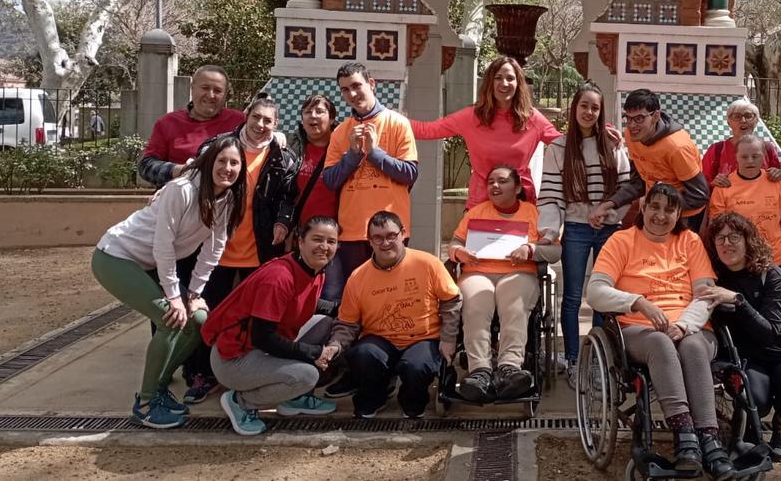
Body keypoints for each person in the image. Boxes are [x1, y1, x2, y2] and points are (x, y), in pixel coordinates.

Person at [91, 135, 244, 429]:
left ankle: (159, 387)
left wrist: (195, 294)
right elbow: (163, 245)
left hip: (147, 264)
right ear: (209, 161)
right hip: (116, 256)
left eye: (234, 163)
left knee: (200, 320)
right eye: (222, 160)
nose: (227, 168)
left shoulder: (228, 198)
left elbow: (214, 250)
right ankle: (146, 403)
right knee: (169, 318)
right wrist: (175, 297)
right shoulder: (181, 190)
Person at [587, 183, 734, 481]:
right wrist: (637, 302)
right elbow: (595, 291)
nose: (661, 215)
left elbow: (706, 293)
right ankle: (684, 434)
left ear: (679, 213)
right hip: (640, 330)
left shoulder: (690, 241)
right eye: (654, 207)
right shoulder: (621, 241)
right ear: (643, 207)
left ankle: (707, 438)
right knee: (660, 343)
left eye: (669, 209)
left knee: (691, 346)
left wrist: (683, 325)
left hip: (691, 327)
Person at [183, 93, 299, 404]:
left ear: (276, 126)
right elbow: (193, 176)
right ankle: (201, 374)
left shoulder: (282, 157)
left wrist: (283, 222)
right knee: (208, 317)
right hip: (214, 253)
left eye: (268, 121)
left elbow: (288, 196)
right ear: (246, 116)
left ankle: (246, 375)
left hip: (259, 252)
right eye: (256, 117)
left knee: (251, 321)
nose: (261, 125)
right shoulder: (220, 146)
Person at [202, 216, 341, 436]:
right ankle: (240, 401)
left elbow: (309, 302)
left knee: (325, 323)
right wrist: (313, 352)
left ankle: (290, 398)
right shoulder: (278, 278)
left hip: (260, 348)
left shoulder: (313, 268)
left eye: (331, 241)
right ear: (300, 241)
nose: (324, 247)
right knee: (307, 376)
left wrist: (350, 307)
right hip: (234, 359)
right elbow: (262, 338)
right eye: (317, 239)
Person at [322, 211, 462, 418]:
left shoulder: (428, 264)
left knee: (415, 367)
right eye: (377, 238)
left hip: (423, 339)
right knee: (363, 356)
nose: (385, 243)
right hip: (379, 340)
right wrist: (335, 346)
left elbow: (451, 301)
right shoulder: (358, 277)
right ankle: (376, 396)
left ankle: (413, 401)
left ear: (402, 234)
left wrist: (449, 339)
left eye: (391, 236)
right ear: (369, 241)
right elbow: (347, 323)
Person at [701, 212, 781, 464]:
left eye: (734, 237)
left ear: (748, 240)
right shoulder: (712, 276)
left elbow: (770, 330)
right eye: (720, 238)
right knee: (756, 402)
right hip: (748, 357)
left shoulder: (771, 274)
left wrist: (737, 301)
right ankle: (752, 426)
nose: (727, 244)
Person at [537, 83, 630, 387]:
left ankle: (598, 361)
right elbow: (550, 194)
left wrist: (609, 213)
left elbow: (625, 188)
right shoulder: (559, 148)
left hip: (609, 229)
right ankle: (574, 359)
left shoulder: (613, 146)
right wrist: (550, 231)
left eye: (595, 107)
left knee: (604, 297)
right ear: (573, 109)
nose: (589, 112)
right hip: (576, 229)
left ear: (602, 112)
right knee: (573, 297)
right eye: (584, 106)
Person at [320, 62, 418, 309]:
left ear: (371, 84)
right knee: (357, 299)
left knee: (391, 298)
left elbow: (410, 174)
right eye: (345, 90)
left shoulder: (398, 123)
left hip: (391, 231)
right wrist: (352, 156)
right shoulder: (341, 131)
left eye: (356, 86)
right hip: (351, 232)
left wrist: (374, 153)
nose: (352, 94)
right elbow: (330, 181)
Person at [447, 165, 549, 402]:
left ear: (517, 187)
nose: (494, 186)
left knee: (513, 302)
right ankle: (480, 371)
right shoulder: (476, 212)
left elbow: (554, 250)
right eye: (491, 181)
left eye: (502, 181)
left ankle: (509, 368)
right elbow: (454, 243)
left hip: (518, 272)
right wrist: (459, 253)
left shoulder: (533, 213)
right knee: (475, 305)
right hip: (478, 270)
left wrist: (530, 248)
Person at [411, 56, 559, 208]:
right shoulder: (471, 116)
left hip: (521, 204)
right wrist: (388, 117)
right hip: (480, 203)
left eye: (510, 78)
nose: (504, 83)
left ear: (519, 83)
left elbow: (563, 144)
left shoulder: (532, 118)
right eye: (498, 78)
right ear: (489, 83)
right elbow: (427, 130)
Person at [589, 89, 709, 232]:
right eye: (628, 118)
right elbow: (638, 182)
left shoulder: (677, 147)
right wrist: (608, 205)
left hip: (684, 216)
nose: (632, 125)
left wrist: (661, 206)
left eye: (639, 118)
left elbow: (699, 195)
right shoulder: (631, 135)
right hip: (654, 208)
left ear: (656, 116)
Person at [705, 134, 781, 301]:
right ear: (736, 157)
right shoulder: (724, 187)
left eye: (755, 156)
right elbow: (716, 230)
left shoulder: (776, 184)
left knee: (779, 308)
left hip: (775, 260)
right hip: (740, 262)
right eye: (744, 156)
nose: (750, 161)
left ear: (763, 157)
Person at [138, 65, 245, 188]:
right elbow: (146, 166)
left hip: (226, 202)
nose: (211, 95)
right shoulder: (167, 123)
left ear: (226, 94)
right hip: (178, 199)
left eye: (217, 90)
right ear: (192, 88)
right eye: (205, 88)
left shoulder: (240, 122)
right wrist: (181, 170)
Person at [701, 98, 781, 188]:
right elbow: (702, 185)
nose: (743, 120)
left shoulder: (768, 148)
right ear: (729, 122)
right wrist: (714, 183)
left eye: (748, 116)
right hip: (726, 201)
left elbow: (778, 183)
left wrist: (780, 175)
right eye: (737, 117)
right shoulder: (716, 150)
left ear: (756, 121)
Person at [288, 94, 341, 231]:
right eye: (307, 112)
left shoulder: (344, 148)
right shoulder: (290, 147)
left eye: (319, 111)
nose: (313, 115)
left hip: (335, 233)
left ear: (331, 119)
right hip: (300, 232)